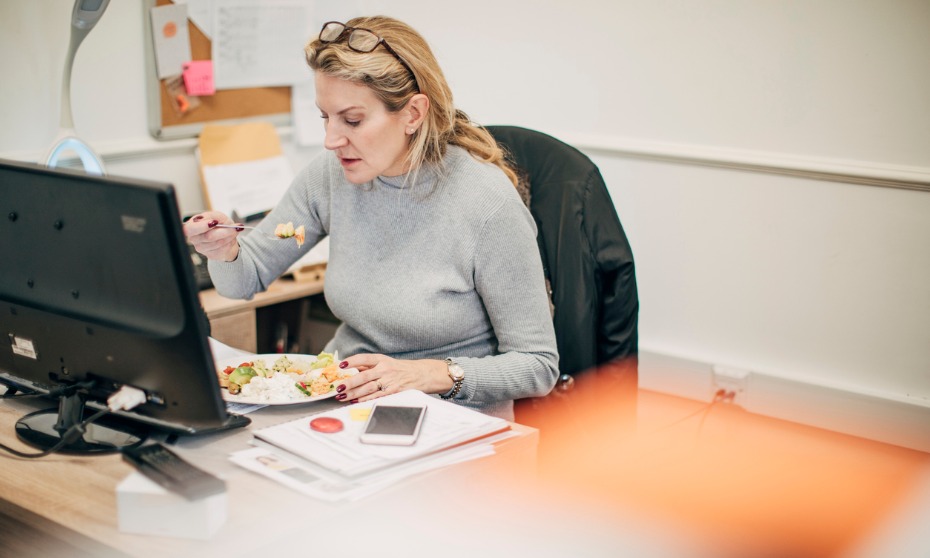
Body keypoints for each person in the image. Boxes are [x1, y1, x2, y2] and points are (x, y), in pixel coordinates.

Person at [184, 16, 558, 420]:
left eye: (353, 120)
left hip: (451, 421)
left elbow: (538, 366)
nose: (331, 140)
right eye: (325, 117)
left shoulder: (487, 205)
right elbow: (245, 277)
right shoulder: (333, 175)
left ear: (413, 114)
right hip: (345, 403)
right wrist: (223, 250)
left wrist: (430, 374)